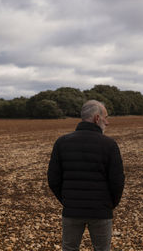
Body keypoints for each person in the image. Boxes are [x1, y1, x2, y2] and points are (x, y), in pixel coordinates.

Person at [48, 100, 125, 251]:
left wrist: (67, 201)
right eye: (106, 117)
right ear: (97, 118)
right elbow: (117, 181)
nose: (107, 122)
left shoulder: (62, 142)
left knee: (69, 248)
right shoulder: (109, 145)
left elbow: (53, 179)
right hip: (101, 211)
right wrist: (110, 204)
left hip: (72, 210)